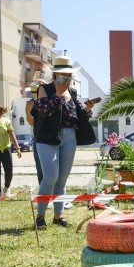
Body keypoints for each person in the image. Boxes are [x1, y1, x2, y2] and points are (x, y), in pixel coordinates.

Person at [32, 56, 95, 229]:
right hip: (47, 137)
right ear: (55, 75)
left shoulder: (72, 92)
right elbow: (45, 112)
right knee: (50, 176)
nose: (66, 78)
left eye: (69, 75)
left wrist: (87, 109)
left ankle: (59, 216)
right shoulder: (44, 89)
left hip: (69, 137)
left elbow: (76, 115)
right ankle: (40, 216)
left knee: (62, 179)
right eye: (63, 75)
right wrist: (59, 93)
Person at [26, 81, 44, 184]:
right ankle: (43, 190)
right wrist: (27, 111)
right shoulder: (33, 103)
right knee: (40, 166)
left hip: (52, 137)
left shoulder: (52, 101)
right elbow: (31, 122)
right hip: (38, 138)